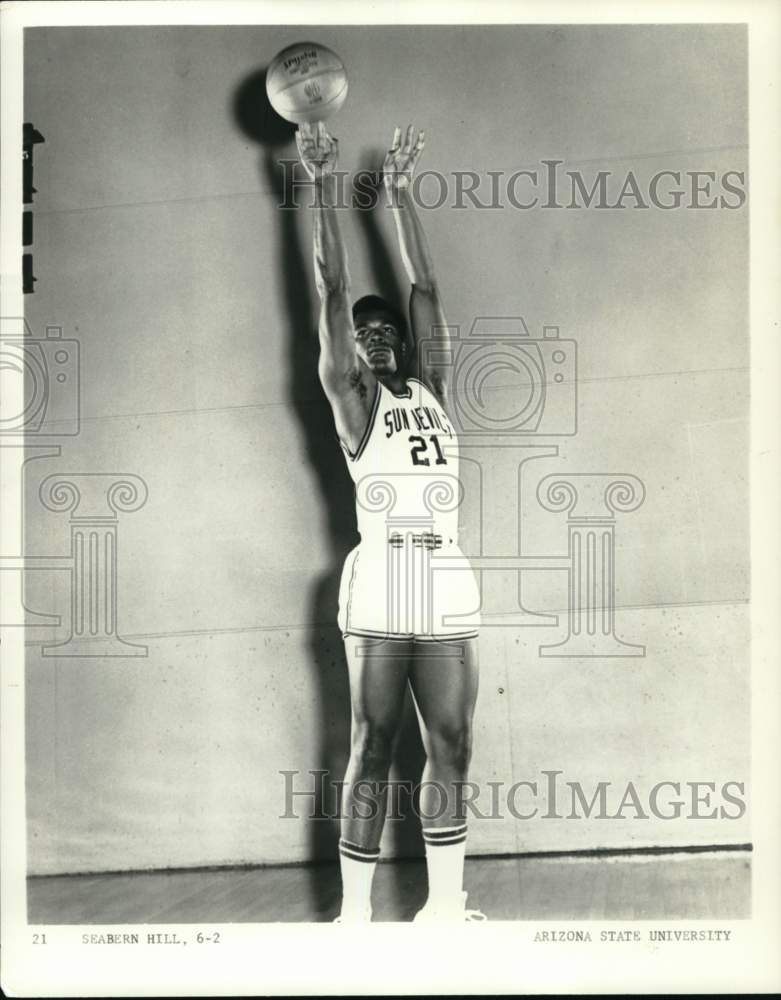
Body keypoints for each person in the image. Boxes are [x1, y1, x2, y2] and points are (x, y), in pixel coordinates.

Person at [296, 122, 484, 923]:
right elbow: (330, 287)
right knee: (372, 744)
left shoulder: (430, 389)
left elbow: (426, 287)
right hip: (383, 573)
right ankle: (354, 918)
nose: (372, 336)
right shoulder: (353, 397)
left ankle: (443, 907)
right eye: (361, 332)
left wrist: (400, 196)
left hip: (442, 571)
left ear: (401, 347)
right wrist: (320, 182)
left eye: (384, 331)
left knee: (452, 742)